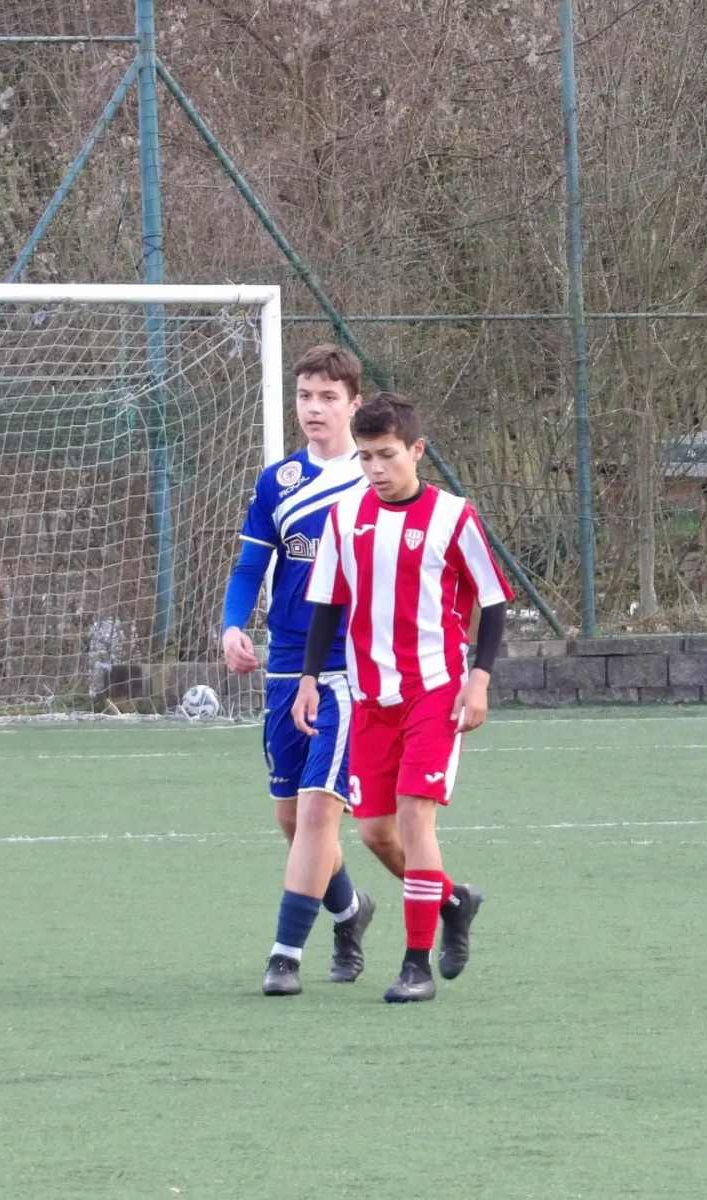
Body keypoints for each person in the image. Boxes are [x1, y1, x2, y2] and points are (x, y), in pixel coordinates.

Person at [296, 392, 512, 1003]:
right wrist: (310, 678)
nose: (375, 468)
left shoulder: (453, 517)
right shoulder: (344, 518)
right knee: (374, 833)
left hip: (434, 692)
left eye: (387, 455)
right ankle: (452, 902)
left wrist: (479, 678)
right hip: (369, 697)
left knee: (416, 819)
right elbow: (326, 605)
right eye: (366, 457)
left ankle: (416, 966)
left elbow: (493, 601)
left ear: (416, 450)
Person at [221, 344, 407, 996]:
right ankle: (351, 911)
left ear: (354, 404)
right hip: (286, 666)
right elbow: (250, 566)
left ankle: (284, 956)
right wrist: (233, 625)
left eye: (328, 396)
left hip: (350, 671)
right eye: (305, 395)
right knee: (290, 820)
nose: (313, 408)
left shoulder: (374, 477)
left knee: (320, 813)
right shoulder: (278, 482)